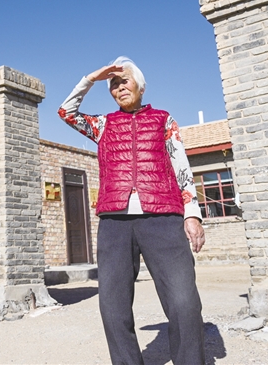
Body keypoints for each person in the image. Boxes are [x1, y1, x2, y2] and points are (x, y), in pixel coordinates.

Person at [58, 56, 206, 365]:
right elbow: (66, 112)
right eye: (113, 85)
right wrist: (90, 79)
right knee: (113, 306)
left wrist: (191, 213)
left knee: (184, 301)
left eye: (124, 80)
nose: (118, 87)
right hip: (115, 223)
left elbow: (181, 166)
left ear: (140, 85)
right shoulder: (103, 125)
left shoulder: (164, 120)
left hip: (163, 217)